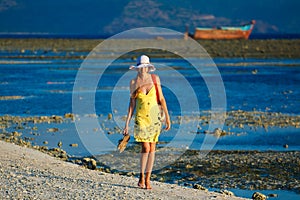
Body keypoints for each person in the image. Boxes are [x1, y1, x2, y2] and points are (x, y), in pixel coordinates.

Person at [123, 55, 171, 190]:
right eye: (141, 67)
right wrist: (126, 123)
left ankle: (148, 179)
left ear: (148, 67)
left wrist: (167, 118)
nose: (143, 70)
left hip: (154, 118)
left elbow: (161, 99)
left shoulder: (155, 79)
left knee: (153, 149)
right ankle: (141, 176)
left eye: (145, 67)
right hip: (141, 118)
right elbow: (132, 104)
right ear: (137, 69)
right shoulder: (133, 82)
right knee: (146, 148)